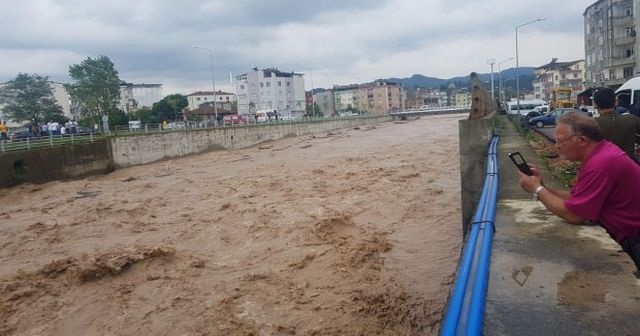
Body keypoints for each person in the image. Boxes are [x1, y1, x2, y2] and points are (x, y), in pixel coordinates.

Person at [518, 112, 640, 276]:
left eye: (561, 141)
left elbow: (575, 215)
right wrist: (543, 186)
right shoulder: (600, 155)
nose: (557, 146)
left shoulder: (601, 164)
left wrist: (537, 191)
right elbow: (575, 198)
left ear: (582, 140)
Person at [593, 87, 640, 162]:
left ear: (595, 104)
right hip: (630, 167)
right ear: (616, 102)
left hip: (604, 168)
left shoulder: (591, 124)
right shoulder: (632, 119)